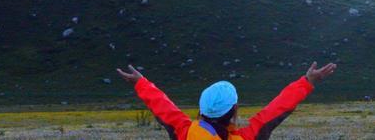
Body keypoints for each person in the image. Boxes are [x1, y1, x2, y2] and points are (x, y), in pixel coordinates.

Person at [117, 61, 337, 140]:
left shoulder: (184, 132)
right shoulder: (249, 136)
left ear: (202, 109)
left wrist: (141, 83)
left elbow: (163, 106)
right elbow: (278, 108)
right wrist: (307, 81)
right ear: (235, 109)